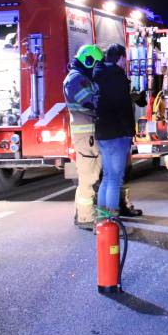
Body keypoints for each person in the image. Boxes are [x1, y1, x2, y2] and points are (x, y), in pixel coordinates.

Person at [93, 44, 142, 217]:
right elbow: (123, 108)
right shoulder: (117, 76)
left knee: (107, 176)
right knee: (115, 178)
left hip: (102, 133)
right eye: (125, 59)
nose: (125, 62)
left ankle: (101, 218)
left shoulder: (97, 75)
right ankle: (112, 220)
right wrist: (130, 132)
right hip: (118, 133)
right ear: (121, 57)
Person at [63, 44, 104, 231]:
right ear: (88, 61)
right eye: (95, 64)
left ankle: (83, 213)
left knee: (92, 174)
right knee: (88, 176)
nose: (96, 68)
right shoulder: (76, 79)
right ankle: (86, 217)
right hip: (85, 134)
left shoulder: (80, 77)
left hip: (88, 134)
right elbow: (91, 102)